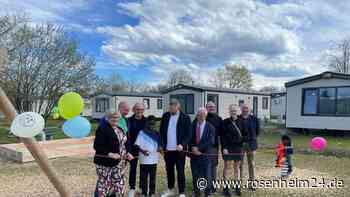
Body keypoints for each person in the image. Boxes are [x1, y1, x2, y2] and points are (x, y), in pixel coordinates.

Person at [93, 111, 134, 197]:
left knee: (119, 185)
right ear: (107, 119)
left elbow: (125, 143)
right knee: (104, 185)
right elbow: (97, 146)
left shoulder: (120, 129)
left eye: (116, 117)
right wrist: (110, 154)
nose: (115, 119)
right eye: (112, 117)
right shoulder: (102, 129)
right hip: (105, 164)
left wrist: (128, 153)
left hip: (120, 163)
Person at [160, 99, 192, 197]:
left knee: (180, 171)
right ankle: (170, 189)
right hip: (168, 150)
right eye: (170, 107)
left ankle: (181, 192)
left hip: (179, 150)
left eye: (173, 107)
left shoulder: (185, 118)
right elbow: (161, 132)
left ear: (178, 107)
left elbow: (189, 134)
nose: (171, 109)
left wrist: (182, 144)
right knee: (169, 170)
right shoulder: (165, 116)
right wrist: (161, 145)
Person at [190, 108, 215, 197]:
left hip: (205, 155)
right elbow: (190, 138)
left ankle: (207, 193)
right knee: (195, 174)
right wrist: (193, 147)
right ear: (197, 115)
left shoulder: (210, 127)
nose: (201, 116)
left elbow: (211, 141)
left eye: (203, 115)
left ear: (206, 116)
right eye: (199, 114)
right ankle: (196, 192)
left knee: (207, 175)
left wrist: (199, 149)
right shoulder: (192, 125)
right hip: (194, 155)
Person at [134, 115, 161, 197]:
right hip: (144, 160)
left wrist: (160, 148)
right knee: (143, 177)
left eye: (153, 123)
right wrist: (142, 151)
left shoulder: (157, 133)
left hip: (154, 160)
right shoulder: (141, 133)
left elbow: (160, 145)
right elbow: (137, 145)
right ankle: (144, 193)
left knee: (153, 177)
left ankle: (152, 192)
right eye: (150, 123)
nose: (152, 125)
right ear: (147, 123)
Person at [222, 105, 243, 196]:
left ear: (237, 111)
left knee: (237, 167)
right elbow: (223, 137)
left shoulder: (241, 122)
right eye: (232, 110)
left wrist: (242, 143)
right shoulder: (225, 122)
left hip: (238, 147)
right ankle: (226, 188)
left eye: (235, 110)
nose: (233, 112)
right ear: (229, 111)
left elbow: (245, 134)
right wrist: (224, 148)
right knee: (227, 167)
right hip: (228, 148)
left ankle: (237, 187)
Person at [127, 103, 147, 197]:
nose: (139, 111)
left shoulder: (146, 121)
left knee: (144, 170)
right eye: (137, 109)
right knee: (133, 169)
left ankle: (143, 189)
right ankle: (132, 188)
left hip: (144, 150)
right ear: (134, 110)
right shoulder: (129, 121)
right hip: (132, 150)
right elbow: (127, 136)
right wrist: (128, 150)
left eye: (141, 109)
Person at [238, 104, 260, 191]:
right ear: (241, 109)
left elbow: (257, 132)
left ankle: (252, 183)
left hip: (251, 144)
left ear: (249, 109)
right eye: (243, 108)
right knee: (240, 164)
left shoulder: (254, 119)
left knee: (251, 164)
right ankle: (239, 183)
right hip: (240, 145)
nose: (245, 110)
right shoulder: (238, 118)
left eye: (247, 108)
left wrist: (252, 139)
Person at [205, 101, 224, 193]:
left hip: (215, 147)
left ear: (215, 108)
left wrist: (223, 147)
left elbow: (222, 134)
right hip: (204, 147)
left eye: (213, 106)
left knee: (214, 166)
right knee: (207, 166)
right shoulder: (203, 117)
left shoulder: (219, 119)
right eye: (209, 107)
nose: (211, 108)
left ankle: (213, 186)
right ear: (206, 108)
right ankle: (208, 187)